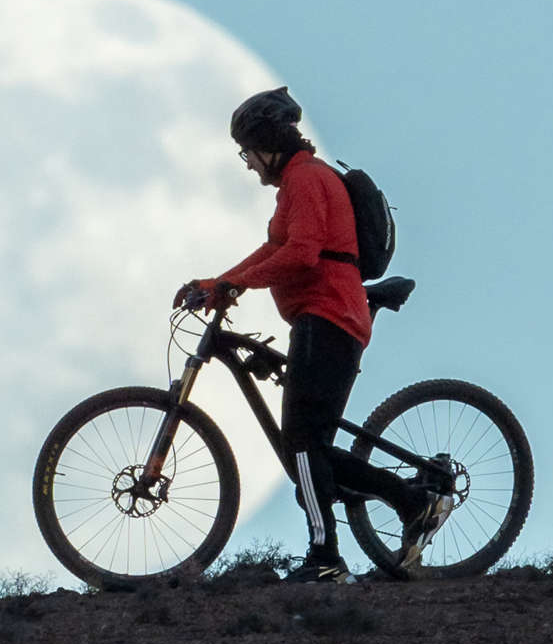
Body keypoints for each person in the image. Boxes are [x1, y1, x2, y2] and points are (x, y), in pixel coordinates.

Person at [173, 87, 451, 583]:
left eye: (249, 152)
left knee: (302, 443)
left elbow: (300, 255)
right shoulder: (297, 185)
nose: (249, 164)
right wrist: (219, 283)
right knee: (310, 449)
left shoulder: (306, 180)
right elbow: (271, 252)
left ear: (269, 145)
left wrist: (232, 284)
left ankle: (326, 559)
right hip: (322, 316)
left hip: (328, 315)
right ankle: (413, 501)